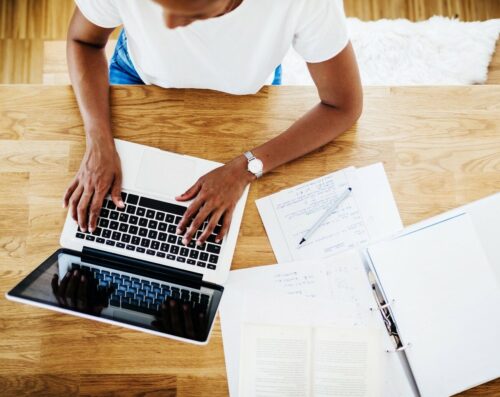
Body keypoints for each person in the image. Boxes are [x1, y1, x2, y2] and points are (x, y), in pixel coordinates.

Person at [63, 0, 363, 247]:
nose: (167, 24)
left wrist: (246, 167)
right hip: (138, 78)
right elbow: (83, 40)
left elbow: (343, 105)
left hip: (246, 96)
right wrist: (99, 141)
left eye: (188, 11)